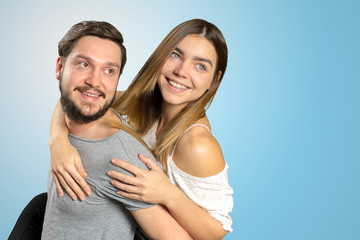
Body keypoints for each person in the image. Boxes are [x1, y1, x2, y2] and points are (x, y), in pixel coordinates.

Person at [50, 19, 233, 239]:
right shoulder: (140, 103)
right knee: (41, 206)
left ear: (215, 80)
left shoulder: (197, 144)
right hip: (129, 219)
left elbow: (217, 231)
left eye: (200, 66)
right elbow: (81, 99)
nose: (182, 71)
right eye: (175, 55)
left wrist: (168, 194)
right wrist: (58, 141)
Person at [11, 20, 191, 240]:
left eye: (108, 70)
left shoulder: (121, 160)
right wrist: (57, 139)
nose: (94, 81)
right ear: (60, 68)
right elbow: (67, 99)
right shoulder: (71, 119)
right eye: (84, 64)